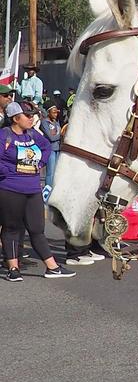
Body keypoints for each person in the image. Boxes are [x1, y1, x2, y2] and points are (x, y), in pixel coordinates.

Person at [1, 101, 74, 280]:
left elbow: (46, 147)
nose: (31, 118)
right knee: (11, 228)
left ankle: (52, 267)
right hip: (10, 189)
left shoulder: (33, 134)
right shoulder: (4, 135)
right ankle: (13, 269)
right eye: (27, 115)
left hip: (33, 189)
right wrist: (10, 171)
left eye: (32, 115)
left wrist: (40, 163)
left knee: (37, 229)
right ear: (15, 118)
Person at [38, 103, 63, 203]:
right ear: (48, 112)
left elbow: (56, 135)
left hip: (57, 149)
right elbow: (51, 137)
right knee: (50, 173)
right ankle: (46, 195)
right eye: (54, 112)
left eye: (56, 112)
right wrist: (61, 135)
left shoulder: (56, 122)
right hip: (50, 149)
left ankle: (53, 192)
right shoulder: (45, 122)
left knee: (56, 172)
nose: (56, 114)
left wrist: (58, 136)